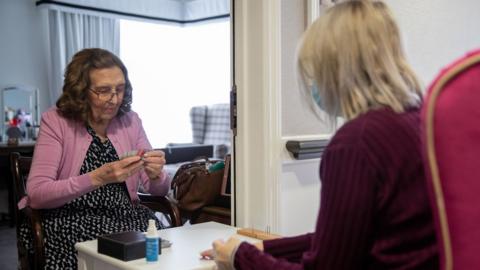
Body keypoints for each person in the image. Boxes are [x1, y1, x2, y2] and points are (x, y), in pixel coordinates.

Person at [201, 1, 438, 269]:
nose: (313, 84)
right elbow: (341, 238)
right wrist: (264, 247)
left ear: (335, 70)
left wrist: (239, 258)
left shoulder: (356, 143)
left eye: (315, 71)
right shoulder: (421, 121)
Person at [18, 48, 170, 269]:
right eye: (103, 90)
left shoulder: (131, 121)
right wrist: (98, 177)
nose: (114, 98)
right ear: (81, 91)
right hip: (69, 218)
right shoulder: (56, 121)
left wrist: (157, 175)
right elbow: (38, 193)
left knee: (162, 253)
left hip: (127, 217)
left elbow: (158, 189)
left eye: (120, 89)